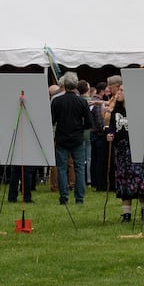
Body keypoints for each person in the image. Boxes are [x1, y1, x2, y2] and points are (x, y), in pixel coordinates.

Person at [102, 75, 144, 220]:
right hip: (121, 151)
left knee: (140, 180)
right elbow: (109, 127)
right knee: (123, 181)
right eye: (118, 90)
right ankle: (126, 214)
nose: (118, 93)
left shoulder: (136, 109)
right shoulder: (115, 109)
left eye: (122, 90)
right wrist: (109, 134)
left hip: (135, 149)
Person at [52, 72, 93, 205]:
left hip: (62, 138)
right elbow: (89, 123)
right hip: (77, 138)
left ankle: (63, 197)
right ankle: (79, 198)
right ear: (75, 85)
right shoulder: (81, 101)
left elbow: (52, 121)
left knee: (62, 168)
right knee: (79, 168)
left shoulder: (57, 101)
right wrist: (80, 128)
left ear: (64, 84)